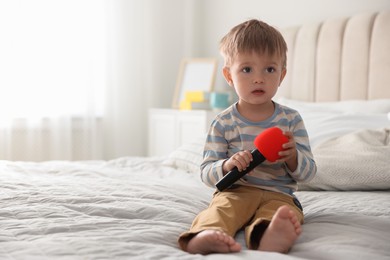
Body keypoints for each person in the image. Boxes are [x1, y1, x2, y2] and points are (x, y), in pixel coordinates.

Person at [178, 19, 317, 255]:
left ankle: (269, 236)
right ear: (229, 76)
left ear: (281, 75)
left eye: (269, 69)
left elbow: (309, 173)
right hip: (236, 191)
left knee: (283, 212)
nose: (258, 78)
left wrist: (293, 157)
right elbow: (206, 172)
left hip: (279, 194)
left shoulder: (291, 120)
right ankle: (204, 235)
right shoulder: (223, 123)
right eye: (247, 69)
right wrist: (227, 165)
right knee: (221, 208)